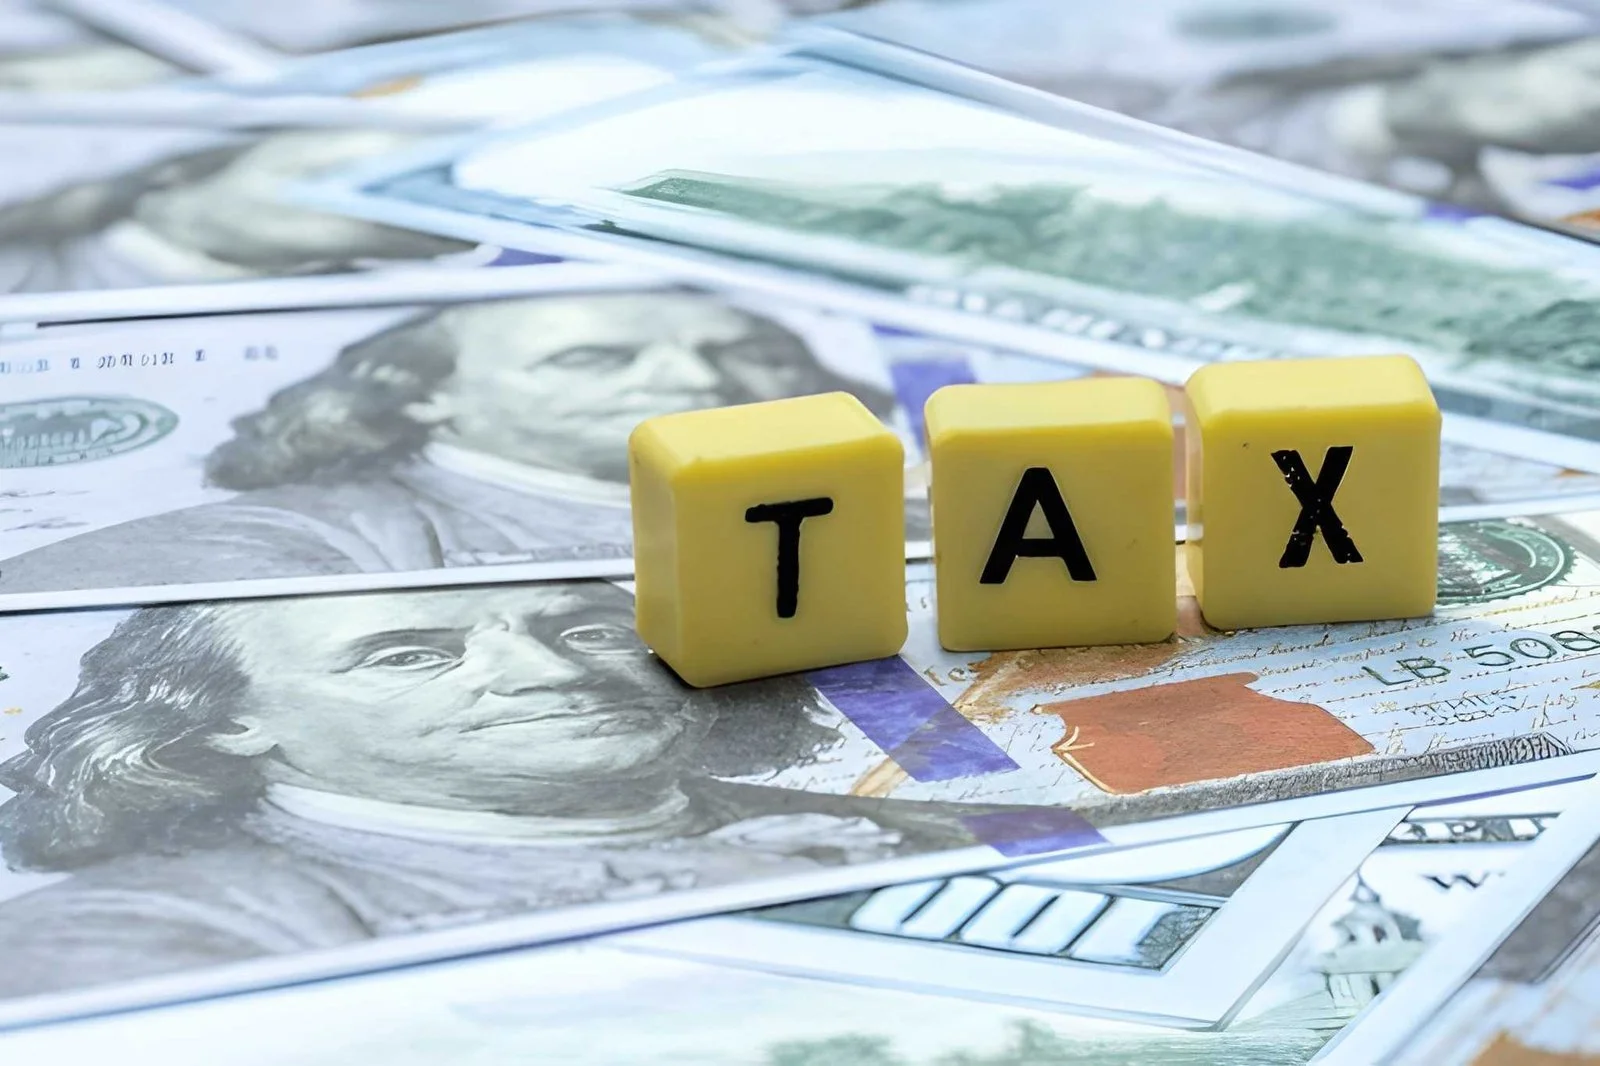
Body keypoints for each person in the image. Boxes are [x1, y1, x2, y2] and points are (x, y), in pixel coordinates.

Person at [0, 579, 983, 997]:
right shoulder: (134, 938)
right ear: (225, 720)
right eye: (408, 656)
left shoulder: (932, 824)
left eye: (587, 631)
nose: (555, 674)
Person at [0, 289, 902, 591]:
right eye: (595, 358)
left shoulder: (908, 515)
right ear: (426, 396)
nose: (701, 384)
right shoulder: (255, 547)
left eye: (744, 352)